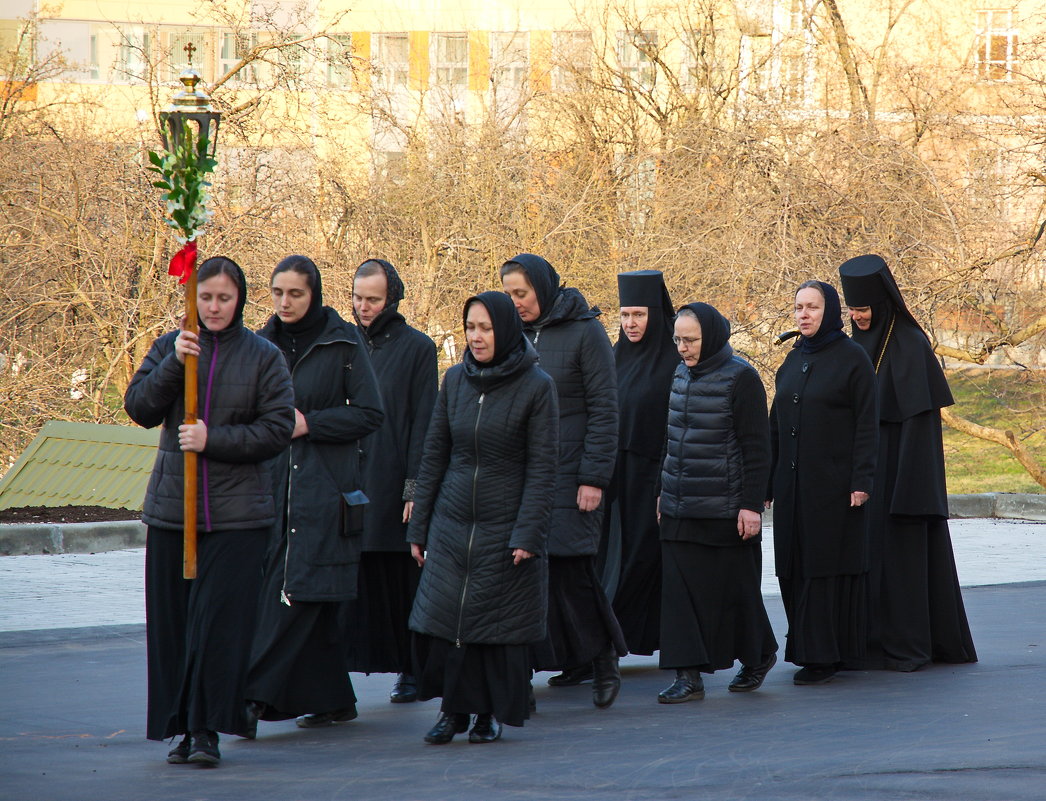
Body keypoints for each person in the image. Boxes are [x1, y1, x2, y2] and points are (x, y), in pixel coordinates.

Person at [124, 256, 295, 765]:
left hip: (237, 518)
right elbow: (140, 408)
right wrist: (176, 363)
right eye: (205, 298)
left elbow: (277, 428)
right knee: (174, 626)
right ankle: (180, 726)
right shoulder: (168, 347)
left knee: (219, 626)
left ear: (239, 299)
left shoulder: (263, 356)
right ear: (191, 300)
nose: (215, 307)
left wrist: (211, 439)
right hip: (173, 514)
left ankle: (208, 730)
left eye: (224, 298)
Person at [407, 291, 558, 744]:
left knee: (493, 629)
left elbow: (543, 468)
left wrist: (528, 532)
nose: (476, 336)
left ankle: (488, 713)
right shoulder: (453, 381)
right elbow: (433, 455)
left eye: (486, 328)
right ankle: (452, 712)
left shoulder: (537, 386)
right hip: (453, 523)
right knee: (451, 624)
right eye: (471, 327)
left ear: (506, 330)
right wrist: (420, 525)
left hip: (506, 524)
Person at [245, 255, 384, 731]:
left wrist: (311, 424)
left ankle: (251, 694)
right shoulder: (260, 346)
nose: (285, 302)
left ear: (314, 295)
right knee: (307, 600)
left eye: (296, 294)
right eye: (278, 292)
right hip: (272, 489)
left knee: (296, 593)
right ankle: (331, 698)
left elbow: (370, 413)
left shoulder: (343, 342)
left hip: (327, 491)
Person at [839, 254, 977, 671]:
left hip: (901, 475)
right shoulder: (853, 346)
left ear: (881, 304)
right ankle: (867, 645)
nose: (858, 316)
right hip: (862, 472)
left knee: (902, 564)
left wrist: (910, 486)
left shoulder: (912, 346)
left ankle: (908, 646)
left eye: (863, 309)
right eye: (852, 310)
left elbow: (920, 428)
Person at [501, 253, 625, 708]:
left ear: (543, 288)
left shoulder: (585, 332)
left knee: (573, 572)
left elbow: (606, 411)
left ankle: (604, 661)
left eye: (522, 293)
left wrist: (593, 477)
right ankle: (567, 659)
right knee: (531, 572)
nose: (515, 303)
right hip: (524, 480)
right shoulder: (513, 334)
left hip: (573, 478)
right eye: (510, 294)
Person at [657, 303, 778, 702]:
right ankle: (688, 676)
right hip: (680, 506)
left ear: (711, 336)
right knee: (679, 594)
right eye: (677, 339)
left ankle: (758, 656)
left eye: (690, 340)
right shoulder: (679, 374)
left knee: (735, 591)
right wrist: (663, 491)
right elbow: (672, 441)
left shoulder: (741, 378)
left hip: (726, 510)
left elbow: (757, 450)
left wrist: (750, 506)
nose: (682, 348)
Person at [768, 280, 878, 686]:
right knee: (792, 567)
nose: (803, 315)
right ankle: (806, 647)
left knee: (821, 568)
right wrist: (766, 480)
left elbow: (868, 424)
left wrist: (862, 479)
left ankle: (823, 655)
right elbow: (775, 425)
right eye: (798, 307)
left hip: (832, 488)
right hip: (791, 488)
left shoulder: (852, 359)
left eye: (812, 307)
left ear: (829, 311)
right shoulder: (792, 360)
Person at [343, 258, 438, 702]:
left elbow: (425, 424)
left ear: (392, 298)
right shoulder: (339, 342)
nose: (364, 307)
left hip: (393, 480)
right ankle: (336, 675)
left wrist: (415, 488)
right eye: (359, 298)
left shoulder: (417, 348)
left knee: (402, 583)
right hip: (345, 482)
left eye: (373, 299)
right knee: (345, 586)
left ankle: (413, 670)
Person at [598, 270, 677, 658]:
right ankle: (614, 637)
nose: (631, 324)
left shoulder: (674, 360)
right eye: (625, 315)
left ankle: (623, 638)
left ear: (656, 315)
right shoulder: (617, 355)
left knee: (643, 557)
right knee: (616, 557)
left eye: (639, 315)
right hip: (618, 476)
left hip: (657, 476)